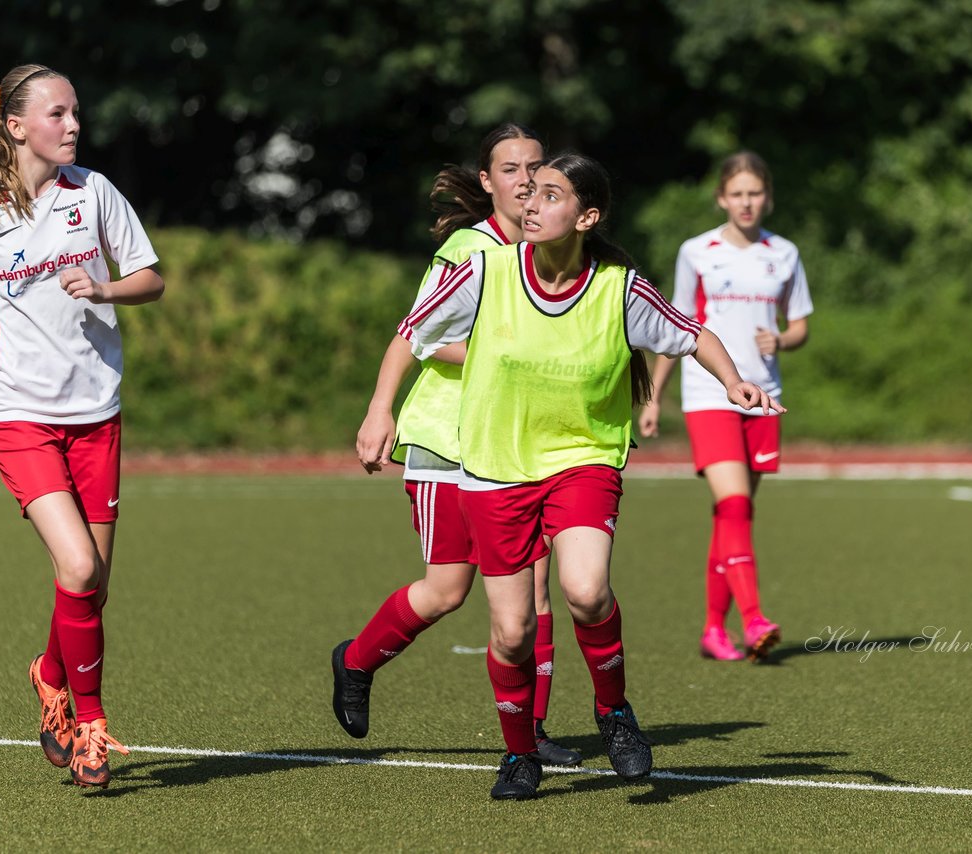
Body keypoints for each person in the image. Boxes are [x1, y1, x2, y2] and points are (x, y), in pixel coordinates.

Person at [393, 152, 781, 800]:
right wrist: (381, 412)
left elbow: (690, 334)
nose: (531, 203)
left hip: (583, 459)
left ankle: (614, 712)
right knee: (512, 633)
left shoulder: (618, 288)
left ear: (587, 215)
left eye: (550, 194)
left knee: (585, 589)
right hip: (495, 467)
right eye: (529, 193)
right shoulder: (485, 271)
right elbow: (412, 333)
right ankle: (520, 755)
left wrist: (736, 380)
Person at [0, 65, 164, 788]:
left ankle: (48, 672)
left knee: (91, 586)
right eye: (58, 114)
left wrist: (105, 285)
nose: (73, 126)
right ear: (17, 124)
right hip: (20, 417)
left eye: (76, 113)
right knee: (81, 568)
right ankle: (88, 722)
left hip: (98, 415)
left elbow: (151, 276)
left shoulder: (93, 192)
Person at [334, 124, 579, 766]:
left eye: (535, 166)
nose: (525, 178)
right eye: (510, 168)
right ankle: (356, 662)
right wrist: (379, 411)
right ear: (487, 181)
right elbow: (419, 336)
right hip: (449, 438)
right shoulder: (469, 250)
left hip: (520, 444)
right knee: (448, 589)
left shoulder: (552, 249)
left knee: (537, 585)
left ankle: (533, 732)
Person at [638, 151, 811, 664]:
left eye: (754, 193)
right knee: (734, 506)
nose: (746, 202)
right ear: (721, 198)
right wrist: (654, 395)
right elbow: (677, 326)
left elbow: (799, 324)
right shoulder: (697, 252)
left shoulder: (785, 253)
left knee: (732, 515)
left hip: (764, 397)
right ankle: (754, 617)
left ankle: (714, 629)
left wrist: (782, 340)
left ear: (768, 198)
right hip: (710, 393)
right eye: (736, 193)